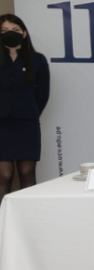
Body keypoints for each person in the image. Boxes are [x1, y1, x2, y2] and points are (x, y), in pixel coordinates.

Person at [0, 14, 50, 206]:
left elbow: (43, 94)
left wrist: (31, 111)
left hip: (27, 124)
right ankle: (2, 224)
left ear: (24, 33)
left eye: (14, 30)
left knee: (27, 174)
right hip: (2, 125)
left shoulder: (37, 60)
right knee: (4, 176)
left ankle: (29, 220)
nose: (9, 34)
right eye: (3, 31)